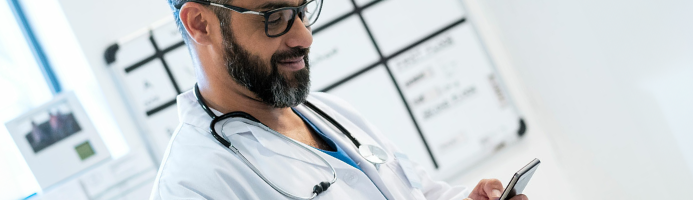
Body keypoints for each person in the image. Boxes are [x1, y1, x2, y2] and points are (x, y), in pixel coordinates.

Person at [149, 0, 529, 199]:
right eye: (275, 15)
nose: (304, 37)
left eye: (301, 10)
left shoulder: (331, 112)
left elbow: (415, 191)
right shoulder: (192, 186)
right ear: (200, 23)